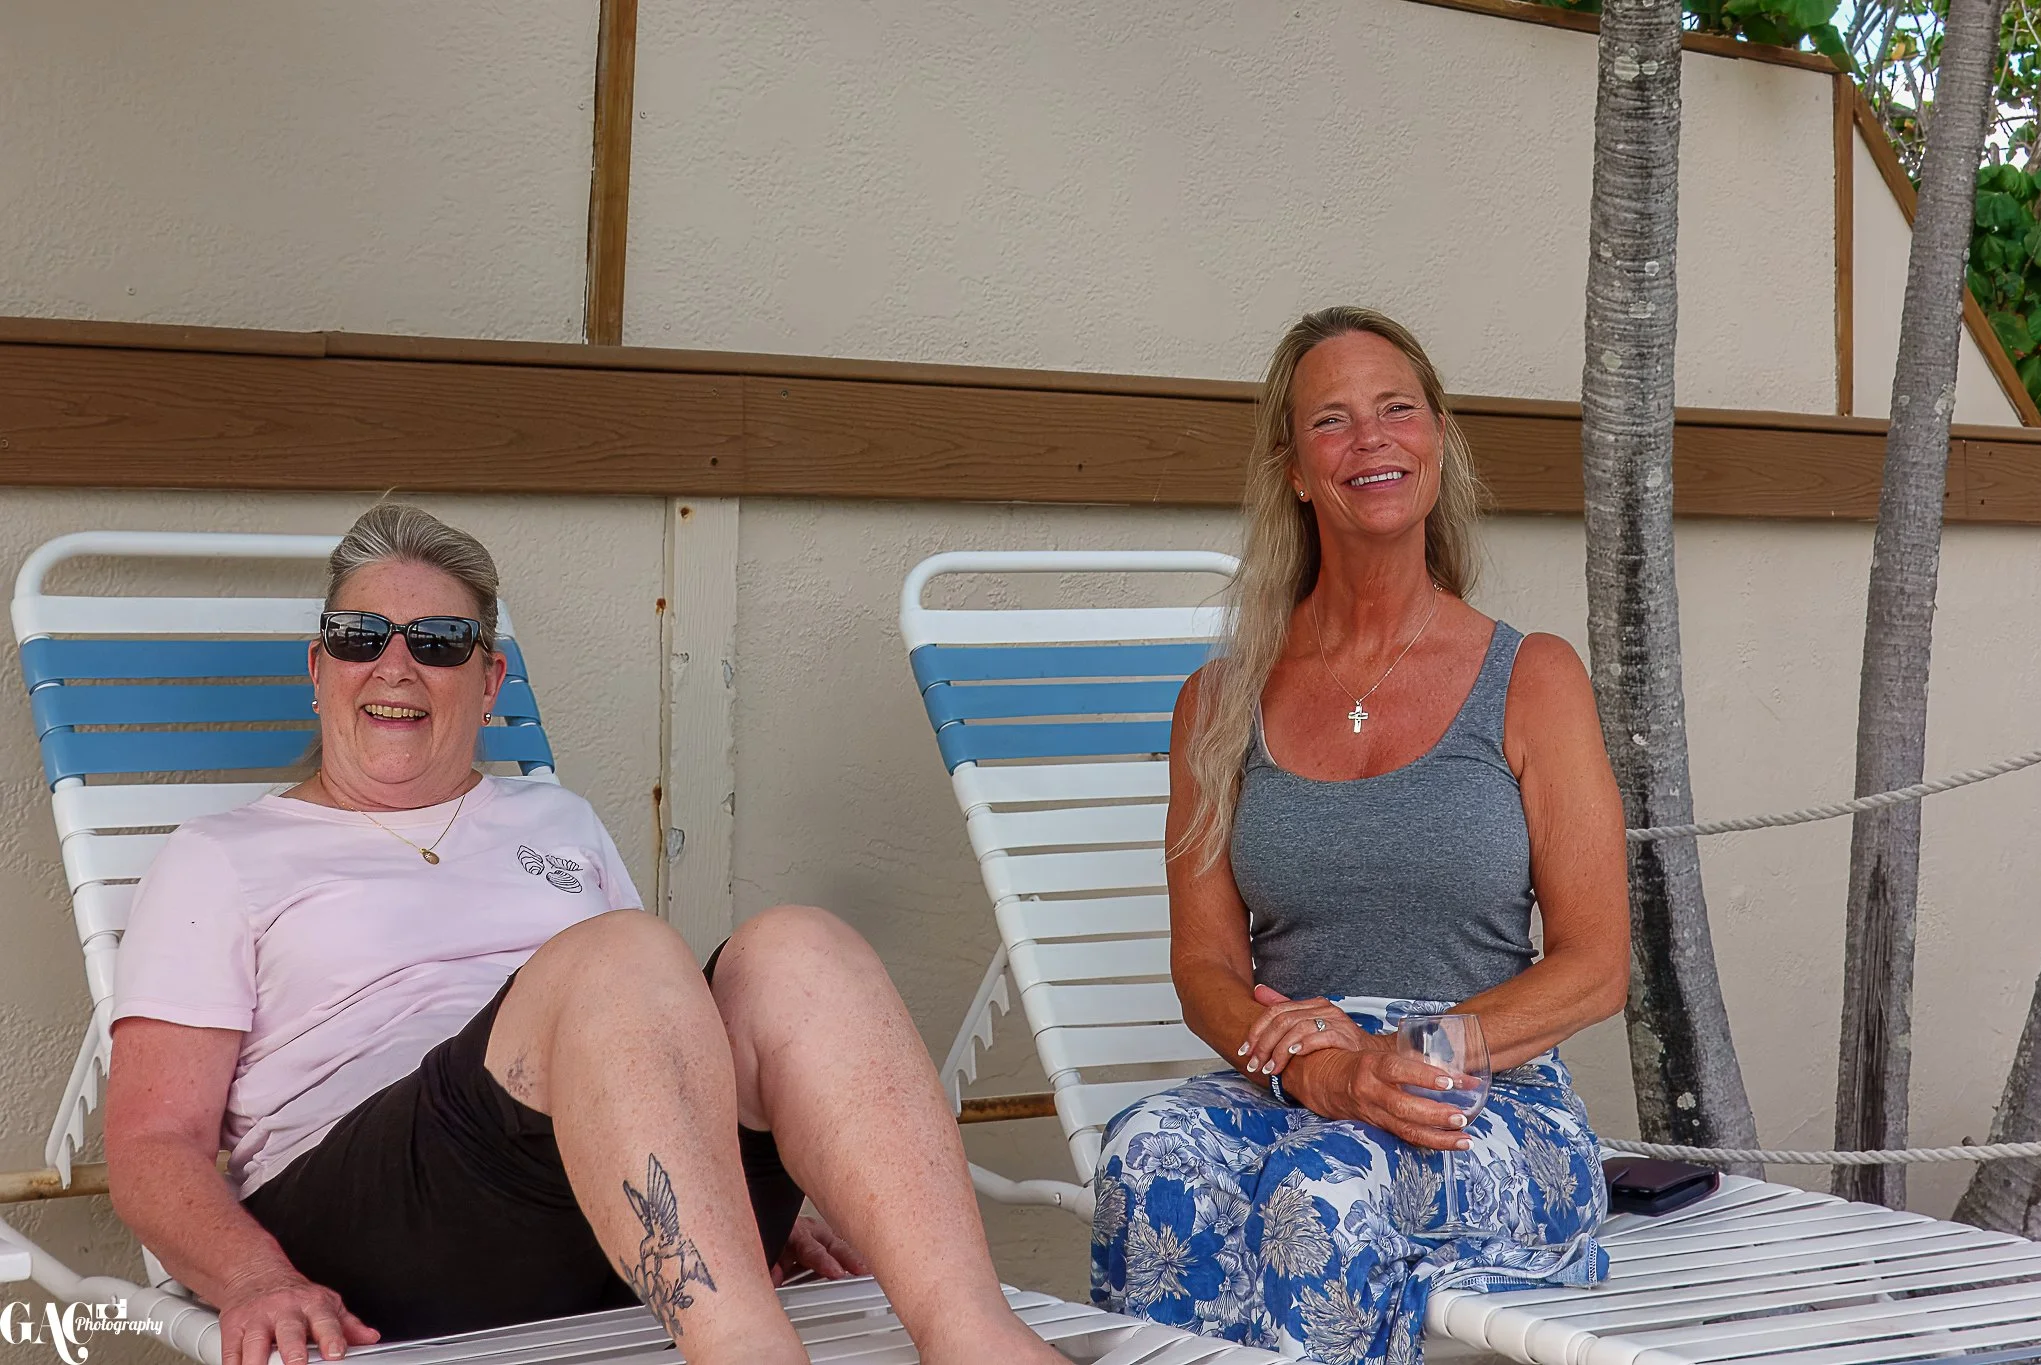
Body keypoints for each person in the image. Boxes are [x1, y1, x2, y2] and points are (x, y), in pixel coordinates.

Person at [104, 503, 1065, 1365]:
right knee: (627, 950)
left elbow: (655, 1038)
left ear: (489, 679)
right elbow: (152, 1142)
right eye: (360, 635)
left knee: (798, 949)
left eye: (440, 640)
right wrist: (256, 1280)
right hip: (383, 1221)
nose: (395, 664)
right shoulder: (223, 857)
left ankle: (978, 1341)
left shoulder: (554, 819)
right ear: (318, 668)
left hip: (601, 1209)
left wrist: (785, 1184)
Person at [1089, 308, 1630, 1364]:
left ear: (1436, 440)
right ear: (1293, 470)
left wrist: (1401, 1058)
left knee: (1318, 1192)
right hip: (1298, 1083)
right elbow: (1204, 967)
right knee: (1143, 1151)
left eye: (1396, 409)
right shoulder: (1219, 701)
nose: (1370, 440)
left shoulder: (1532, 679)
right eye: (1331, 421)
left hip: (1486, 1098)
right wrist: (1313, 1074)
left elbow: (1595, 967)